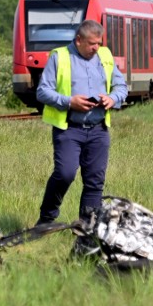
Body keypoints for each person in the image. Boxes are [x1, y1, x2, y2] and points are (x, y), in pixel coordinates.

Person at [36, 19, 128, 225]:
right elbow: (42, 91)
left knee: (95, 181)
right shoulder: (59, 57)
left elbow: (121, 86)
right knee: (65, 173)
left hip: (98, 130)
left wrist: (112, 98)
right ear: (79, 40)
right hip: (69, 129)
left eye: (98, 43)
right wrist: (70, 102)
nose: (96, 48)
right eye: (91, 44)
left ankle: (87, 227)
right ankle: (47, 218)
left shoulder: (104, 56)